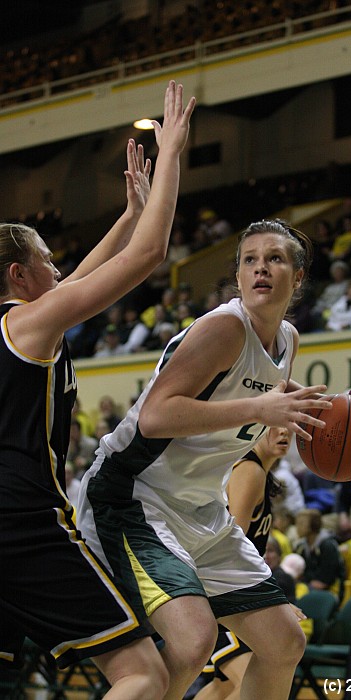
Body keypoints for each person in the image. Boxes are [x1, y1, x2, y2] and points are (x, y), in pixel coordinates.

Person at [76, 218, 343, 700]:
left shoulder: (287, 338)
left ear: (297, 277)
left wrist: (346, 412)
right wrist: (261, 408)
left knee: (284, 642)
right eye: (250, 260)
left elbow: (269, 394)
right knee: (194, 639)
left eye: (275, 259)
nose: (261, 269)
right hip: (134, 497)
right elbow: (155, 417)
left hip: (201, 509)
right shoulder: (224, 328)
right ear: (238, 276)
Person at [0, 80, 196, 698]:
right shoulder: (27, 324)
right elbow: (148, 257)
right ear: (17, 275)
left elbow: (84, 278)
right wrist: (171, 161)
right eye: (47, 261)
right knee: (142, 673)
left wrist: (129, 214)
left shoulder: (28, 326)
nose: (58, 271)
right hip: (22, 522)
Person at [192, 426, 302, 700]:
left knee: (225, 686)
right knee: (254, 682)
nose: (282, 433)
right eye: (274, 427)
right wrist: (272, 600)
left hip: (222, 588)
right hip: (224, 592)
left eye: (288, 427)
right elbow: (232, 542)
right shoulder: (249, 469)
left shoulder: (259, 473)